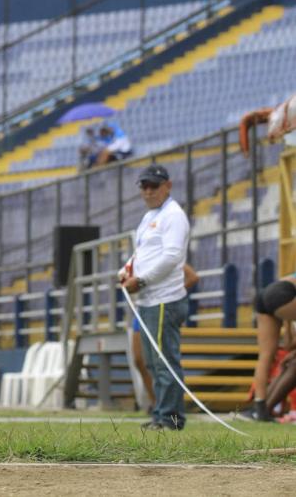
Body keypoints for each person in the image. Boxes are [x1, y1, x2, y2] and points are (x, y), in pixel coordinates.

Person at [118, 164, 190, 430]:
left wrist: (143, 279)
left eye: (154, 186)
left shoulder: (173, 215)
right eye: (144, 187)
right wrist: (125, 270)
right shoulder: (150, 217)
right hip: (149, 299)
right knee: (152, 361)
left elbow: (172, 256)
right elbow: (141, 254)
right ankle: (162, 414)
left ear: (167, 186)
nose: (148, 192)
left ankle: (171, 418)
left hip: (164, 298)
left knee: (164, 361)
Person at [129, 263, 199, 414]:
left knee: (162, 361)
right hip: (142, 309)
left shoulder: (168, 255)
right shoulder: (142, 256)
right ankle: (156, 404)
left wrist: (172, 294)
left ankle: (166, 407)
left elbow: (193, 277)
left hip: (161, 309)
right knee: (139, 359)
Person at [241, 275, 296, 421]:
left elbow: (289, 344)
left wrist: (288, 326)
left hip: (265, 295)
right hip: (282, 294)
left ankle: (260, 408)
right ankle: (261, 409)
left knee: (265, 355)